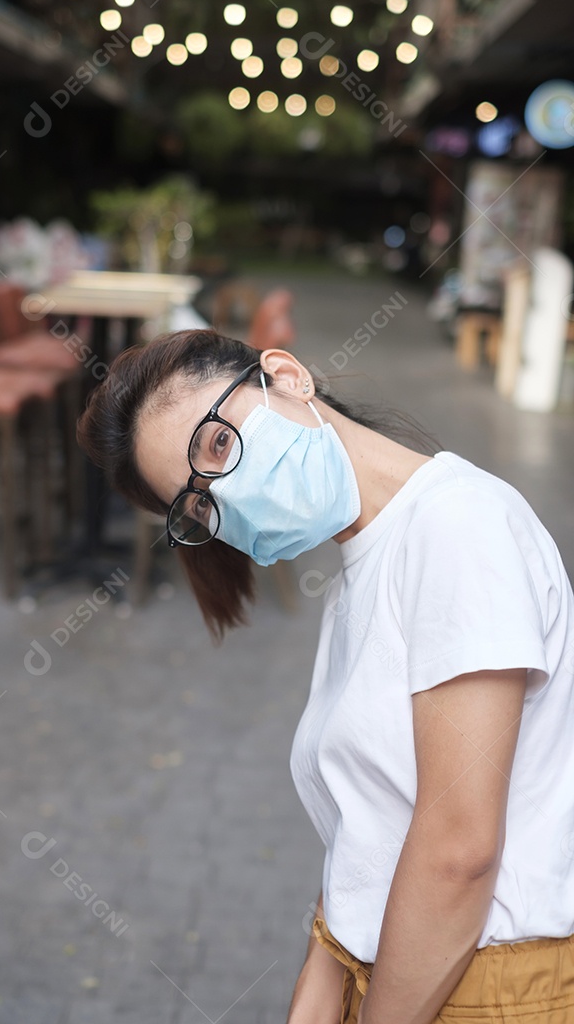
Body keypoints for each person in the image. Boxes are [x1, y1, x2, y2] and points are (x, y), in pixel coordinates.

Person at [76, 328, 574, 1024]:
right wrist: (322, 976)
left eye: (216, 444)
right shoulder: (362, 566)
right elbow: (374, 828)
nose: (227, 493)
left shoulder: (457, 527)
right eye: (201, 503)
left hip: (483, 987)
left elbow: (458, 851)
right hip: (396, 967)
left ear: (286, 377)